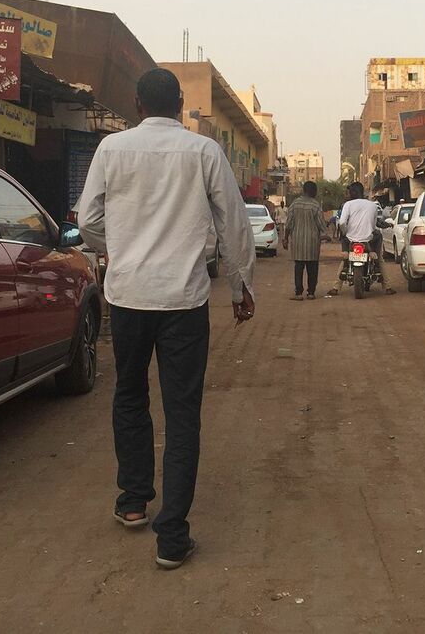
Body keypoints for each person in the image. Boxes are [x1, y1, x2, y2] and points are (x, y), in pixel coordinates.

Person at [77, 68, 255, 571]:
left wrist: (124, 250)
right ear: (179, 104)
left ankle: (134, 500)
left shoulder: (111, 150)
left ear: (136, 104)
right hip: (183, 301)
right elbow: (234, 225)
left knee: (130, 394)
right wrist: (241, 290)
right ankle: (172, 536)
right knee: (182, 413)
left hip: (129, 296)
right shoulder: (204, 153)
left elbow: (87, 220)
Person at [326, 182, 395, 296]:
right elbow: (374, 225)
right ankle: (387, 286)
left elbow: (342, 222)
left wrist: (345, 232)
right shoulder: (372, 205)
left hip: (350, 240)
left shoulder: (347, 205)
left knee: (346, 259)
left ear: (352, 193)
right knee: (379, 258)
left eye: (349, 192)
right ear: (362, 192)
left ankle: (336, 288)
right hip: (368, 240)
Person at [283, 181, 329, 300]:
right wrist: (325, 234)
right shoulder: (315, 205)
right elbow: (321, 225)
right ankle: (311, 293)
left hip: (298, 242)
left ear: (304, 190)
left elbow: (288, 224)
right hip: (312, 243)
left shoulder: (294, 204)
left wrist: (285, 239)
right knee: (312, 268)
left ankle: (298, 293)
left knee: (298, 268)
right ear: (313, 191)